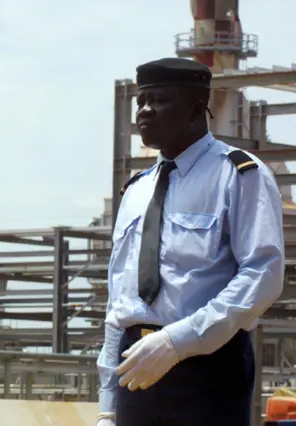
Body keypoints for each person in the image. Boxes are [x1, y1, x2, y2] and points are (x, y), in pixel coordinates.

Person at [95, 57, 284, 426]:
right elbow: (120, 298)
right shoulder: (137, 189)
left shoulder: (238, 174)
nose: (145, 111)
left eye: (159, 100)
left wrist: (178, 341)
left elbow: (263, 272)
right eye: (140, 101)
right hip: (135, 368)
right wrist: (107, 403)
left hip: (207, 366)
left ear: (197, 107)